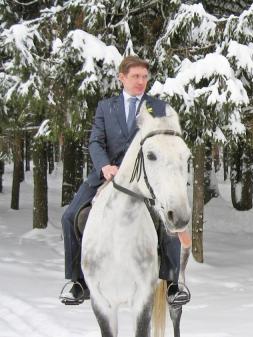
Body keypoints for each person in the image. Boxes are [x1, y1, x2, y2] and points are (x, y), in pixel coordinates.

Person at [59, 55, 191, 307]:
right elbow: (96, 141)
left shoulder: (159, 108)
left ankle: (173, 283)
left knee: (168, 219)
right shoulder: (106, 107)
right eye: (135, 77)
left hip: (146, 177)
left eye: (145, 76)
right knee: (69, 216)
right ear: (122, 78)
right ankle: (77, 282)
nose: (141, 81)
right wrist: (104, 166)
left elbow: (167, 144)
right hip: (108, 174)